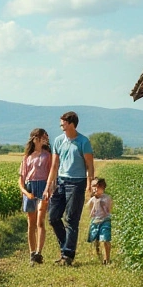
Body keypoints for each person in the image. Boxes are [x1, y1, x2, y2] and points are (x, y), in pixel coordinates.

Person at [43, 111, 94, 266]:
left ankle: (67, 255)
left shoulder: (83, 141)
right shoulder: (58, 141)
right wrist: (48, 186)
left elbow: (89, 165)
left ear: (71, 124)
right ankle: (66, 248)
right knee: (53, 217)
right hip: (61, 181)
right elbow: (54, 165)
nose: (61, 125)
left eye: (63, 123)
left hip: (77, 183)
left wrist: (89, 183)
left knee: (71, 219)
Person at [18, 128, 52, 264]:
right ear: (35, 138)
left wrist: (49, 190)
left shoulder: (48, 156)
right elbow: (21, 179)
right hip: (29, 188)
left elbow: (51, 174)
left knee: (40, 221)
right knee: (31, 223)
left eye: (45, 137)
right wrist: (26, 192)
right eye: (42, 136)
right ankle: (32, 253)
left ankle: (39, 252)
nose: (45, 139)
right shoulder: (27, 157)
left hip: (43, 187)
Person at [86, 177, 112, 264]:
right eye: (93, 186)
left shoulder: (107, 198)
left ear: (103, 187)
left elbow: (109, 210)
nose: (95, 188)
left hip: (105, 220)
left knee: (105, 239)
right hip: (95, 221)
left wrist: (104, 205)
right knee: (95, 239)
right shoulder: (92, 200)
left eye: (98, 186)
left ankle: (107, 259)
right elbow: (90, 210)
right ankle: (98, 254)